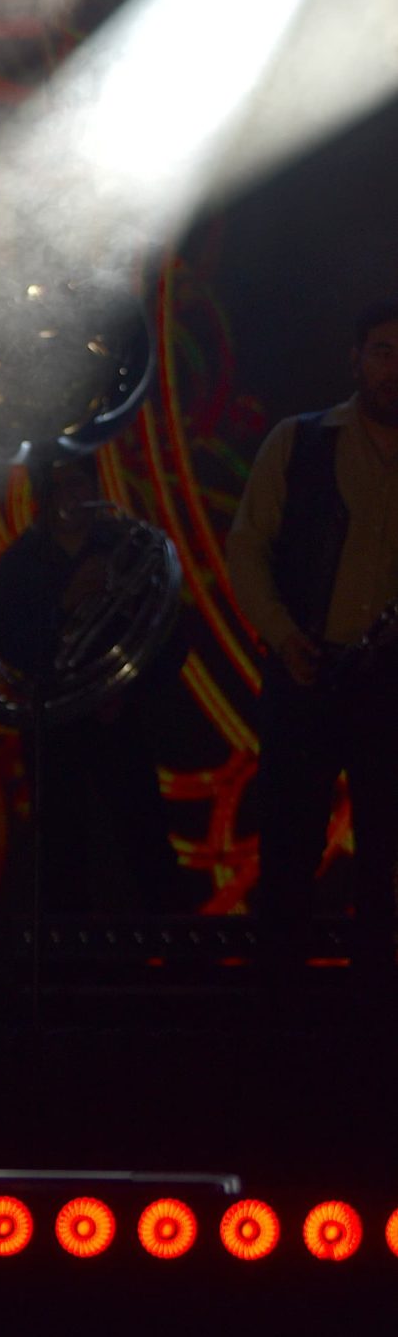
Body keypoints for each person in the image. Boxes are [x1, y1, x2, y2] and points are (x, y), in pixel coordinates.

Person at [226, 300, 398, 1009]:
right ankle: (278, 1014)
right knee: (288, 848)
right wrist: (282, 634)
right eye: (383, 351)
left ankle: (374, 1018)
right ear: (354, 359)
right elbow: (246, 548)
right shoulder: (297, 441)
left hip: (390, 682)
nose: (394, 369)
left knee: (384, 857)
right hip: (307, 668)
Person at [0, 451, 187, 914]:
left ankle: (172, 948)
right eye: (57, 487)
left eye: (78, 484)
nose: (69, 497)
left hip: (122, 720)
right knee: (60, 855)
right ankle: (65, 954)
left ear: (96, 488)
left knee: (148, 845)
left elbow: (171, 634)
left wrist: (126, 689)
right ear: (41, 497)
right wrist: (68, 601)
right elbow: (11, 648)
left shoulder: (130, 547)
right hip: (53, 728)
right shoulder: (19, 564)